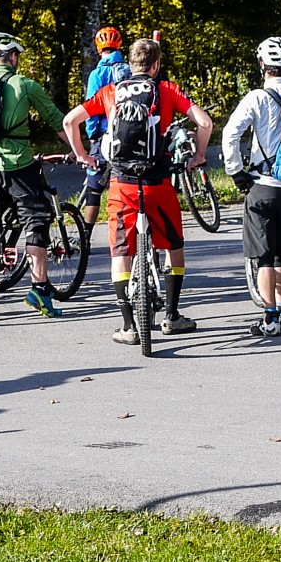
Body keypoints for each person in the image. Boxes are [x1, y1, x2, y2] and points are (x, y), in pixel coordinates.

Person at [63, 37, 214, 344]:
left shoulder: (110, 92)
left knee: (121, 251)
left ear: (130, 64)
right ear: (155, 65)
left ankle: (128, 326)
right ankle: (172, 316)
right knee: (173, 245)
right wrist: (198, 155)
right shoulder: (167, 90)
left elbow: (69, 121)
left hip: (122, 185)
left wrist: (83, 155)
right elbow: (205, 122)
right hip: (158, 183)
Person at [0, 32, 73, 317]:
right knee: (36, 219)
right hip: (18, 165)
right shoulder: (24, 84)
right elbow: (56, 119)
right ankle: (39, 290)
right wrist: (77, 150)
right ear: (12, 57)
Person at [221, 37, 281, 337]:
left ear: (262, 64)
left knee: (265, 256)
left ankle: (269, 319)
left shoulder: (256, 97)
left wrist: (235, 171)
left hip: (263, 184)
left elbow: (230, 134)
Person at [77, 26, 131, 224]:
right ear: (119, 46)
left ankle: (86, 233)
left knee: (94, 187)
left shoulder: (97, 74)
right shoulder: (130, 70)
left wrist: (92, 134)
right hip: (128, 131)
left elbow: (91, 108)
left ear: (99, 49)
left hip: (103, 133)